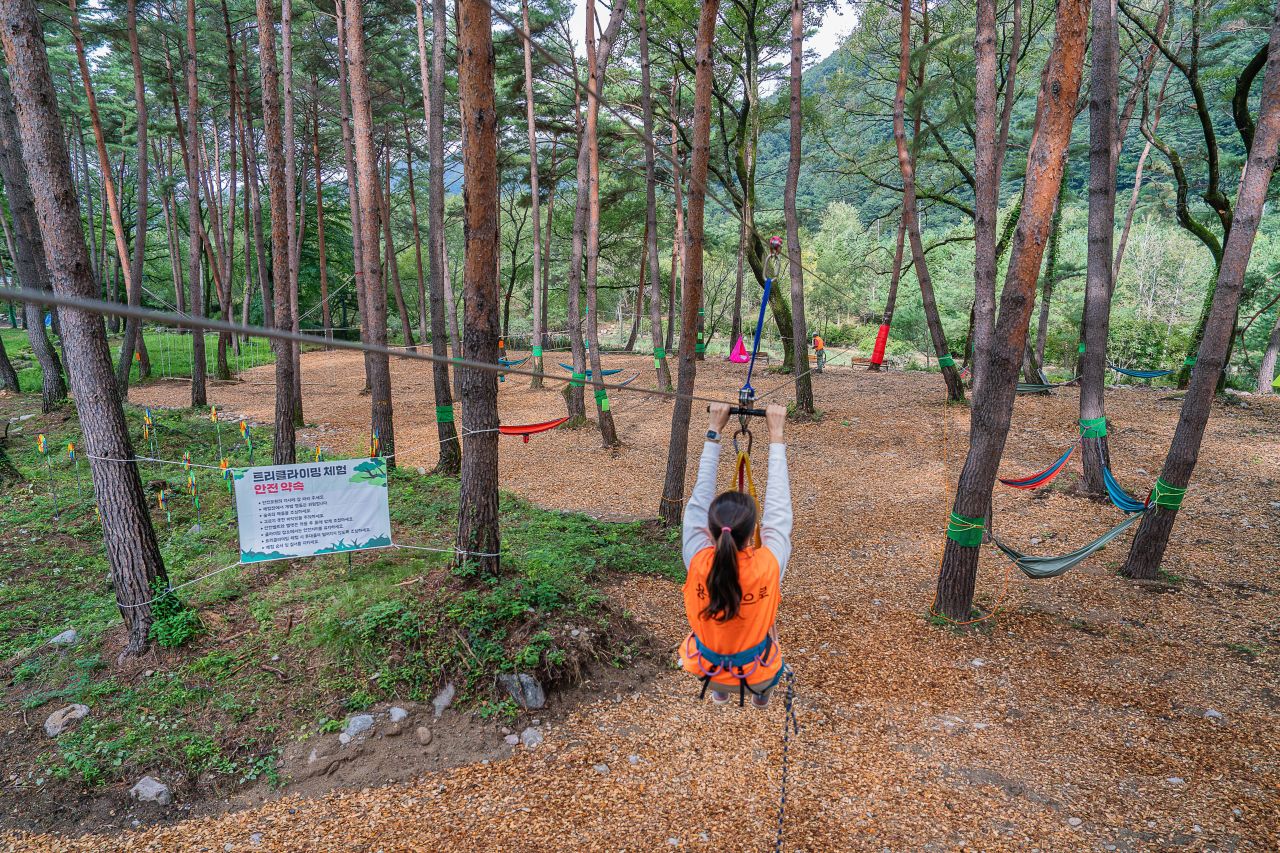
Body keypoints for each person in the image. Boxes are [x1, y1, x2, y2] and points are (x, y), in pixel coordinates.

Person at [680, 402, 792, 707]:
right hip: (757, 674)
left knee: (723, 642)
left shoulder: (698, 561)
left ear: (709, 530)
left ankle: (720, 688)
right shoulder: (768, 566)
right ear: (754, 530)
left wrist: (714, 431)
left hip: (705, 668)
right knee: (766, 646)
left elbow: (697, 502)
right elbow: (779, 512)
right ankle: (760, 696)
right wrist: (776, 434)